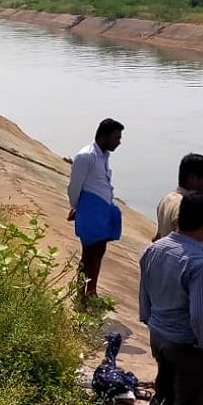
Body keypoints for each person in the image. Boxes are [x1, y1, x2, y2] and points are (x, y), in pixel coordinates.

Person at [139, 193, 203, 405]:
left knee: (162, 396)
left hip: (159, 335)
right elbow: (200, 314)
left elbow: (145, 292)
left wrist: (148, 320)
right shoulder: (200, 262)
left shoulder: (155, 248)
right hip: (187, 344)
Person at [66, 118, 124, 302]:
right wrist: (76, 207)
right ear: (104, 136)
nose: (119, 142)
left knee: (98, 253)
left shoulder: (103, 157)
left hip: (101, 212)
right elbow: (74, 186)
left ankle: (92, 291)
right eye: (116, 137)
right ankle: (80, 294)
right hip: (91, 213)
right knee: (88, 255)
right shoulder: (86, 156)